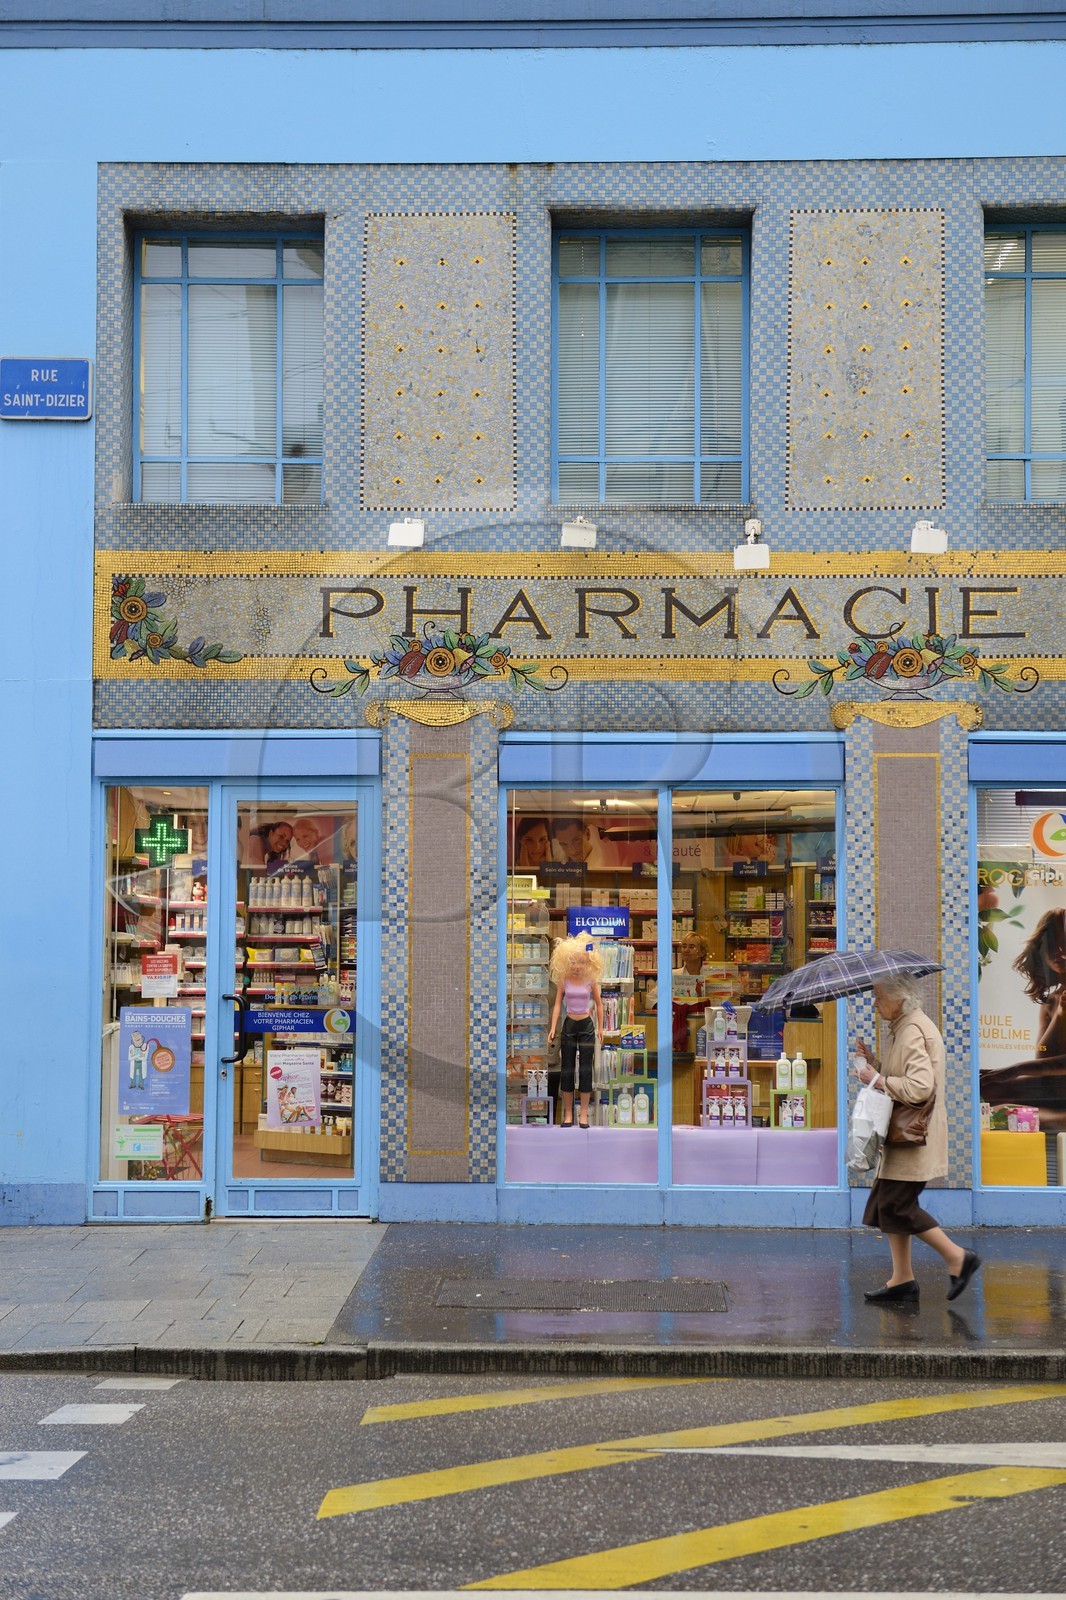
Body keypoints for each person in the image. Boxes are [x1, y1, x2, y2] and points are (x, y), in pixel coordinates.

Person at [856, 974, 980, 1303]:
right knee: (888, 1205)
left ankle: (957, 1257)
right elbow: (905, 1076)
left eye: (879, 995)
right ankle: (902, 1280)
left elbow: (919, 1088)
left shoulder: (912, 1031)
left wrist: (878, 1079)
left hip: (913, 1137)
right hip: (907, 1136)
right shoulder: (907, 1027)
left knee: (897, 1206)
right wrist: (875, 1065)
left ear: (900, 999)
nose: (875, 1001)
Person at [979, 906, 1066, 1131]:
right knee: (984, 1089)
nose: (1060, 952)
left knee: (1002, 1114)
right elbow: (1043, 1055)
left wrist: (1014, 1069)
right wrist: (1059, 1015)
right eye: (1053, 944)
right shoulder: (1052, 1000)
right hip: (1056, 1089)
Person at [548, 935, 604, 1129]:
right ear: (566, 961)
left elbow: (599, 1004)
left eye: (581, 962)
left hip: (587, 1025)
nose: (577, 966)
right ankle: (568, 1114)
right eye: (573, 962)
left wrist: (601, 1027)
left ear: (588, 962)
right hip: (569, 1024)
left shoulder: (591, 980)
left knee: (586, 1069)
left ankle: (583, 1115)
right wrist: (554, 1027)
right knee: (567, 1070)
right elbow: (557, 1005)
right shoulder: (564, 980)